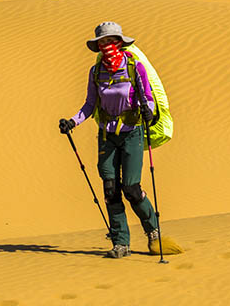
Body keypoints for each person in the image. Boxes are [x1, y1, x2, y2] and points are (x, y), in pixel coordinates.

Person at [59, 21, 158, 258]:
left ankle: (152, 230)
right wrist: (72, 121)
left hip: (132, 132)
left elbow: (148, 97)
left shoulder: (135, 67)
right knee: (110, 189)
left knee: (131, 189)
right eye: (102, 42)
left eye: (110, 41)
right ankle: (120, 242)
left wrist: (149, 111)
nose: (106, 46)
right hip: (106, 136)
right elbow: (90, 105)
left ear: (119, 42)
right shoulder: (96, 72)